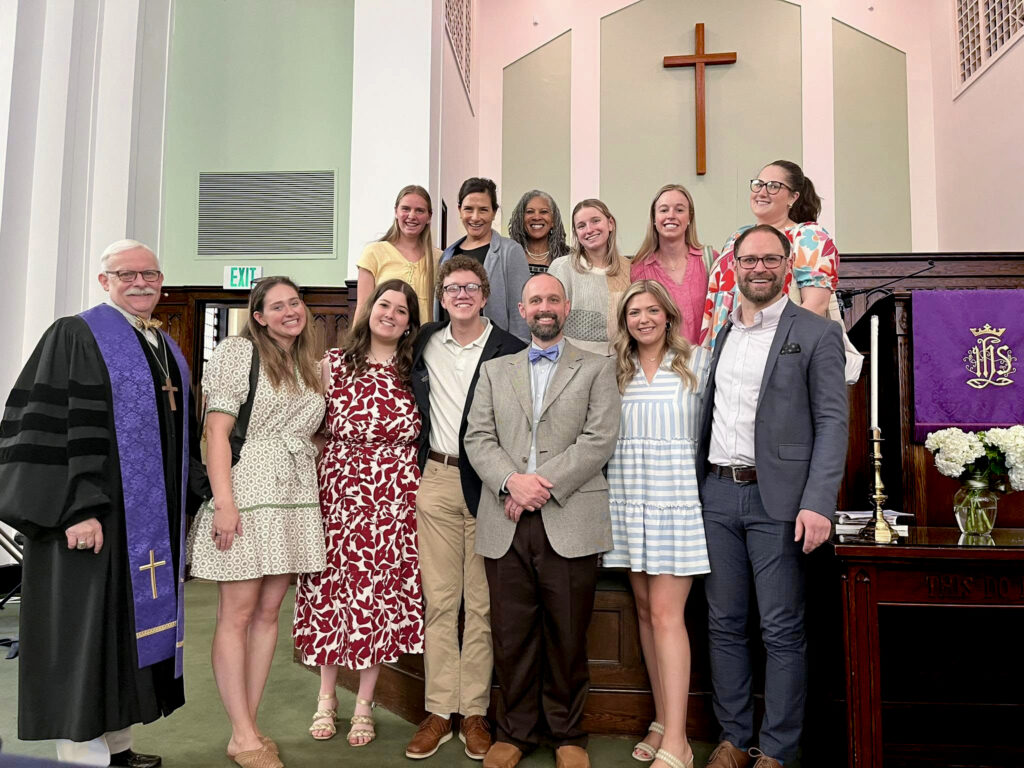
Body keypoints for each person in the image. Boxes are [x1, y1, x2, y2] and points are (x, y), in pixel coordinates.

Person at [0, 239, 203, 767]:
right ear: (104, 281)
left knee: (120, 638)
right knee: (85, 638)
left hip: (142, 525)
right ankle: (81, 755)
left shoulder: (161, 345)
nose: (140, 283)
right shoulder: (76, 334)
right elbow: (51, 427)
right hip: (90, 521)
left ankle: (117, 747)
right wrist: (77, 509)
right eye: (126, 274)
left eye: (149, 274)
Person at [696, 225, 847, 768]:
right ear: (734, 267)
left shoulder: (816, 332)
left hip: (779, 502)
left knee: (781, 628)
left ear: (787, 266)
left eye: (769, 259)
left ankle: (777, 749)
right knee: (723, 624)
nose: (758, 268)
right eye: (748, 260)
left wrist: (818, 501)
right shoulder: (723, 333)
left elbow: (832, 422)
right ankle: (734, 739)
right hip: (717, 494)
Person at [464, 273, 621, 768]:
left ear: (566, 307)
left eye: (553, 299)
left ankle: (568, 733)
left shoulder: (597, 368)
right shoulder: (495, 371)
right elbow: (477, 438)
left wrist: (538, 486)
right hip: (504, 518)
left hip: (569, 516)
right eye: (536, 300)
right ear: (522, 310)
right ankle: (514, 731)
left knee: (567, 634)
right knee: (511, 634)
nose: (545, 307)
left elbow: (599, 439)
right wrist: (512, 481)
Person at [188, 276, 327, 768]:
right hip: (247, 490)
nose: (291, 311)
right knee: (238, 614)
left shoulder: (309, 364)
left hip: (293, 495)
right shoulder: (238, 352)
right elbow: (217, 432)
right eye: (278, 306)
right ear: (260, 316)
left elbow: (313, 433)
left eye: (295, 302)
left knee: (269, 614)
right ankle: (242, 735)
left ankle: (247, 724)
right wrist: (224, 503)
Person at [405, 256, 527, 761]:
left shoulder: (510, 348)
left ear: (485, 295)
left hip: (490, 484)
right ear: (442, 296)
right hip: (435, 478)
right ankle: (439, 711)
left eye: (470, 287)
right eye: (452, 287)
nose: (461, 295)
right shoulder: (424, 342)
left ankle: (474, 711)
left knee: (480, 604)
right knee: (439, 600)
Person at [293, 279, 425, 749]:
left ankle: (366, 702)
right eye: (384, 305)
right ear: (369, 310)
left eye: (402, 310)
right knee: (331, 589)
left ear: (410, 323)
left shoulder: (415, 370)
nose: (391, 314)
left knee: (379, 595)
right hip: (340, 491)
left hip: (395, 497)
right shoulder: (332, 364)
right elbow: (310, 428)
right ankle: (326, 697)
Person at [605, 280, 711, 768]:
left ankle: (679, 741)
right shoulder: (616, 369)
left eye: (651, 310)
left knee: (669, 616)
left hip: (676, 502)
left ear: (668, 315)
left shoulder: (696, 363)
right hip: (629, 500)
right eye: (634, 312)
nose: (643, 319)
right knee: (646, 613)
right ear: (624, 321)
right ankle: (663, 720)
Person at [700, 160, 839, 351]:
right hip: (727, 345)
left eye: (773, 186)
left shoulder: (808, 236)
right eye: (758, 184)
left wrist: (779, 351)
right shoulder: (737, 238)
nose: (762, 192)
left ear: (793, 197)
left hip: (778, 348)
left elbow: (816, 305)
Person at [438, 177, 531, 341]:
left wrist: (518, 350)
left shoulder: (510, 252)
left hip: (496, 351)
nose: (475, 217)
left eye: (483, 210)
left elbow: (520, 312)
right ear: (459, 210)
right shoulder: (447, 255)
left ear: (494, 212)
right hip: (450, 348)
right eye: (468, 209)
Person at [630, 184, 714, 345]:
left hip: (706, 358)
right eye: (663, 210)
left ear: (689, 217)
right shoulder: (638, 271)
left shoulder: (710, 260)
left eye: (679, 210)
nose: (671, 215)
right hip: (661, 359)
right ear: (654, 219)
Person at [548, 198, 631, 356]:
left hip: (622, 361)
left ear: (610, 224)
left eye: (595, 221)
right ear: (576, 233)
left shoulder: (630, 268)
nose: (589, 230)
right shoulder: (561, 268)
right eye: (581, 226)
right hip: (573, 362)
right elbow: (549, 320)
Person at [355, 184, 440, 323]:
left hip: (426, 335)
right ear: (396, 212)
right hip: (385, 334)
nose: (412, 216)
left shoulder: (440, 258)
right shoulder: (374, 253)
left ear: (429, 216)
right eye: (405, 209)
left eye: (419, 210)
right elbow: (363, 307)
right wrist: (356, 337)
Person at [506, 189, 570, 275]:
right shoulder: (507, 256)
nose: (536, 217)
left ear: (553, 220)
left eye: (544, 212)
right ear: (521, 219)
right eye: (530, 212)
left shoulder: (570, 258)